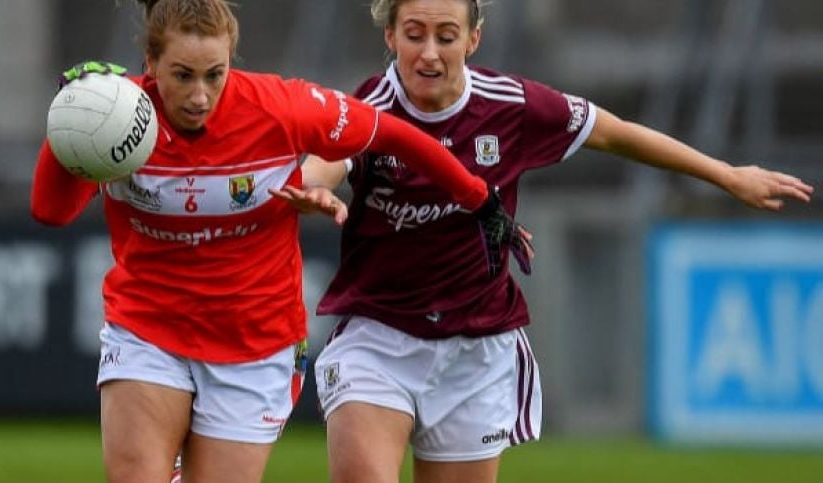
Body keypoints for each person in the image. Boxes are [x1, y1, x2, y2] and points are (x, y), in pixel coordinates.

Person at [270, 1, 815, 482]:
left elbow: (614, 131)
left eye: (446, 35)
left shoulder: (512, 106)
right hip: (378, 339)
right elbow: (328, 159)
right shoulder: (368, 108)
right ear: (389, 36)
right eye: (413, 34)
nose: (429, 53)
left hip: (475, 351)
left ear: (473, 38)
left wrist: (725, 174)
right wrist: (312, 190)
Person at [29, 1, 525, 482]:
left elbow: (390, 133)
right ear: (151, 64)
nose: (201, 95)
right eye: (182, 75)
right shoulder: (119, 118)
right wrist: (71, 123)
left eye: (215, 74)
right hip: (148, 329)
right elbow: (52, 212)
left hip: (255, 344)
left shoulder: (280, 107)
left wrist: (479, 199)